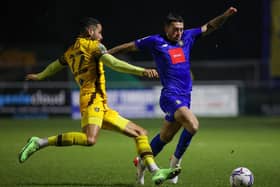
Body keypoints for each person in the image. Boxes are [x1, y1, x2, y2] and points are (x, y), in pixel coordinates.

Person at [18, 17, 181, 185]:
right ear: (90, 31)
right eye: (99, 32)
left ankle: (155, 171)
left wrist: (39, 76)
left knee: (140, 133)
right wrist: (142, 71)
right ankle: (40, 142)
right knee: (90, 140)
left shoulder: (70, 51)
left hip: (101, 104)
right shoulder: (94, 46)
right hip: (92, 100)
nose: (101, 37)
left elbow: (55, 65)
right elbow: (113, 63)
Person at [108, 7, 238, 184]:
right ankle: (175, 163)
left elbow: (209, 27)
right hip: (169, 95)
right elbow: (130, 46)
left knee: (165, 138)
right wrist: (107, 54)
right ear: (166, 28)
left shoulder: (187, 37)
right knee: (193, 125)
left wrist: (226, 15)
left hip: (186, 97)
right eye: (175, 29)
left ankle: (141, 162)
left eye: (181, 29)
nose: (179, 32)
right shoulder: (155, 41)